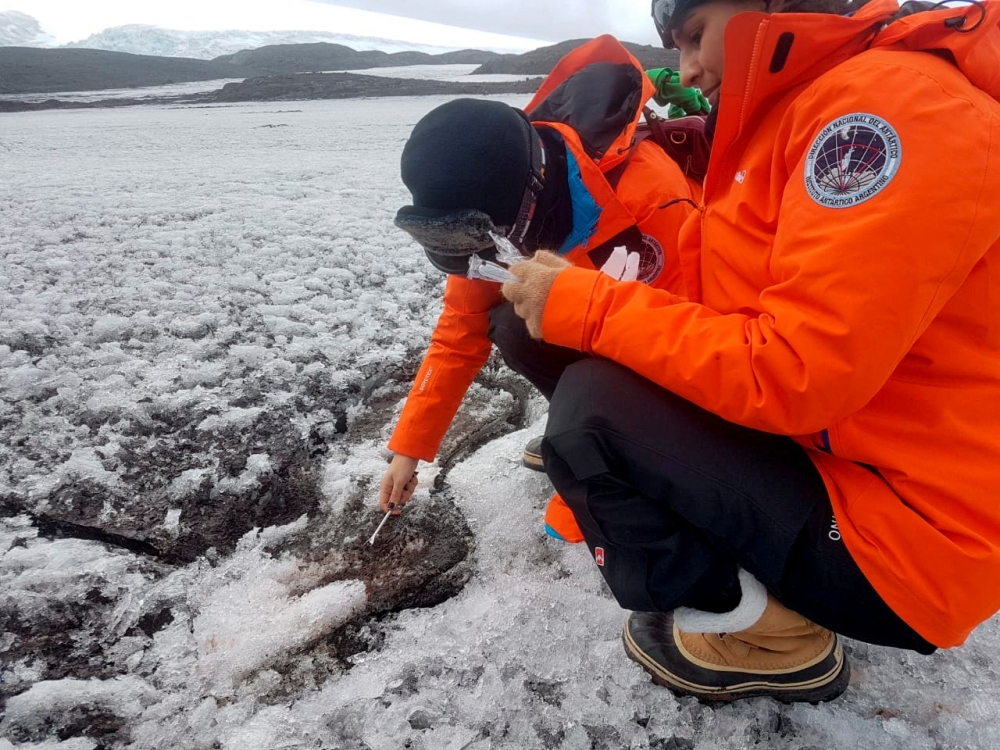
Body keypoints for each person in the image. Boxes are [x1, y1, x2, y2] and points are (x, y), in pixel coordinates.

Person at [499, 0, 1000, 703]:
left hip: (909, 542)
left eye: (696, 36)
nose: (687, 68)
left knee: (592, 415)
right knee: (569, 353)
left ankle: (771, 637)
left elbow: (795, 372)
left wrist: (592, 307)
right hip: (843, 451)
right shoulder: (794, 114)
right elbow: (724, 305)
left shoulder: (890, 113)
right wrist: (586, 299)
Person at [378, 35, 704, 530]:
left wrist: (589, 475)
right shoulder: (489, 223)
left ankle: (616, 448)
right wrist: (409, 449)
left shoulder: (648, 201)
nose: (479, 262)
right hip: (597, 325)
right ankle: (587, 425)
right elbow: (459, 330)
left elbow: (684, 350)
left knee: (618, 366)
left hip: (671, 326)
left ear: (531, 199)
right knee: (509, 323)